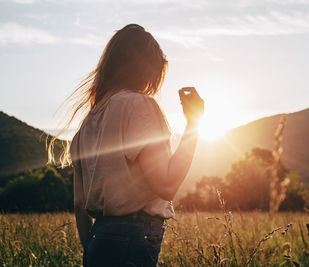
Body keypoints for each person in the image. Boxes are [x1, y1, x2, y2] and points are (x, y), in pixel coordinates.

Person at [48, 23, 204, 266]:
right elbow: (166, 184)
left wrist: (92, 249)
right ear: (147, 68)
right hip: (134, 238)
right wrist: (194, 124)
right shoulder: (138, 105)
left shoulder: (85, 127)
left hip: (98, 238)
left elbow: (79, 206)